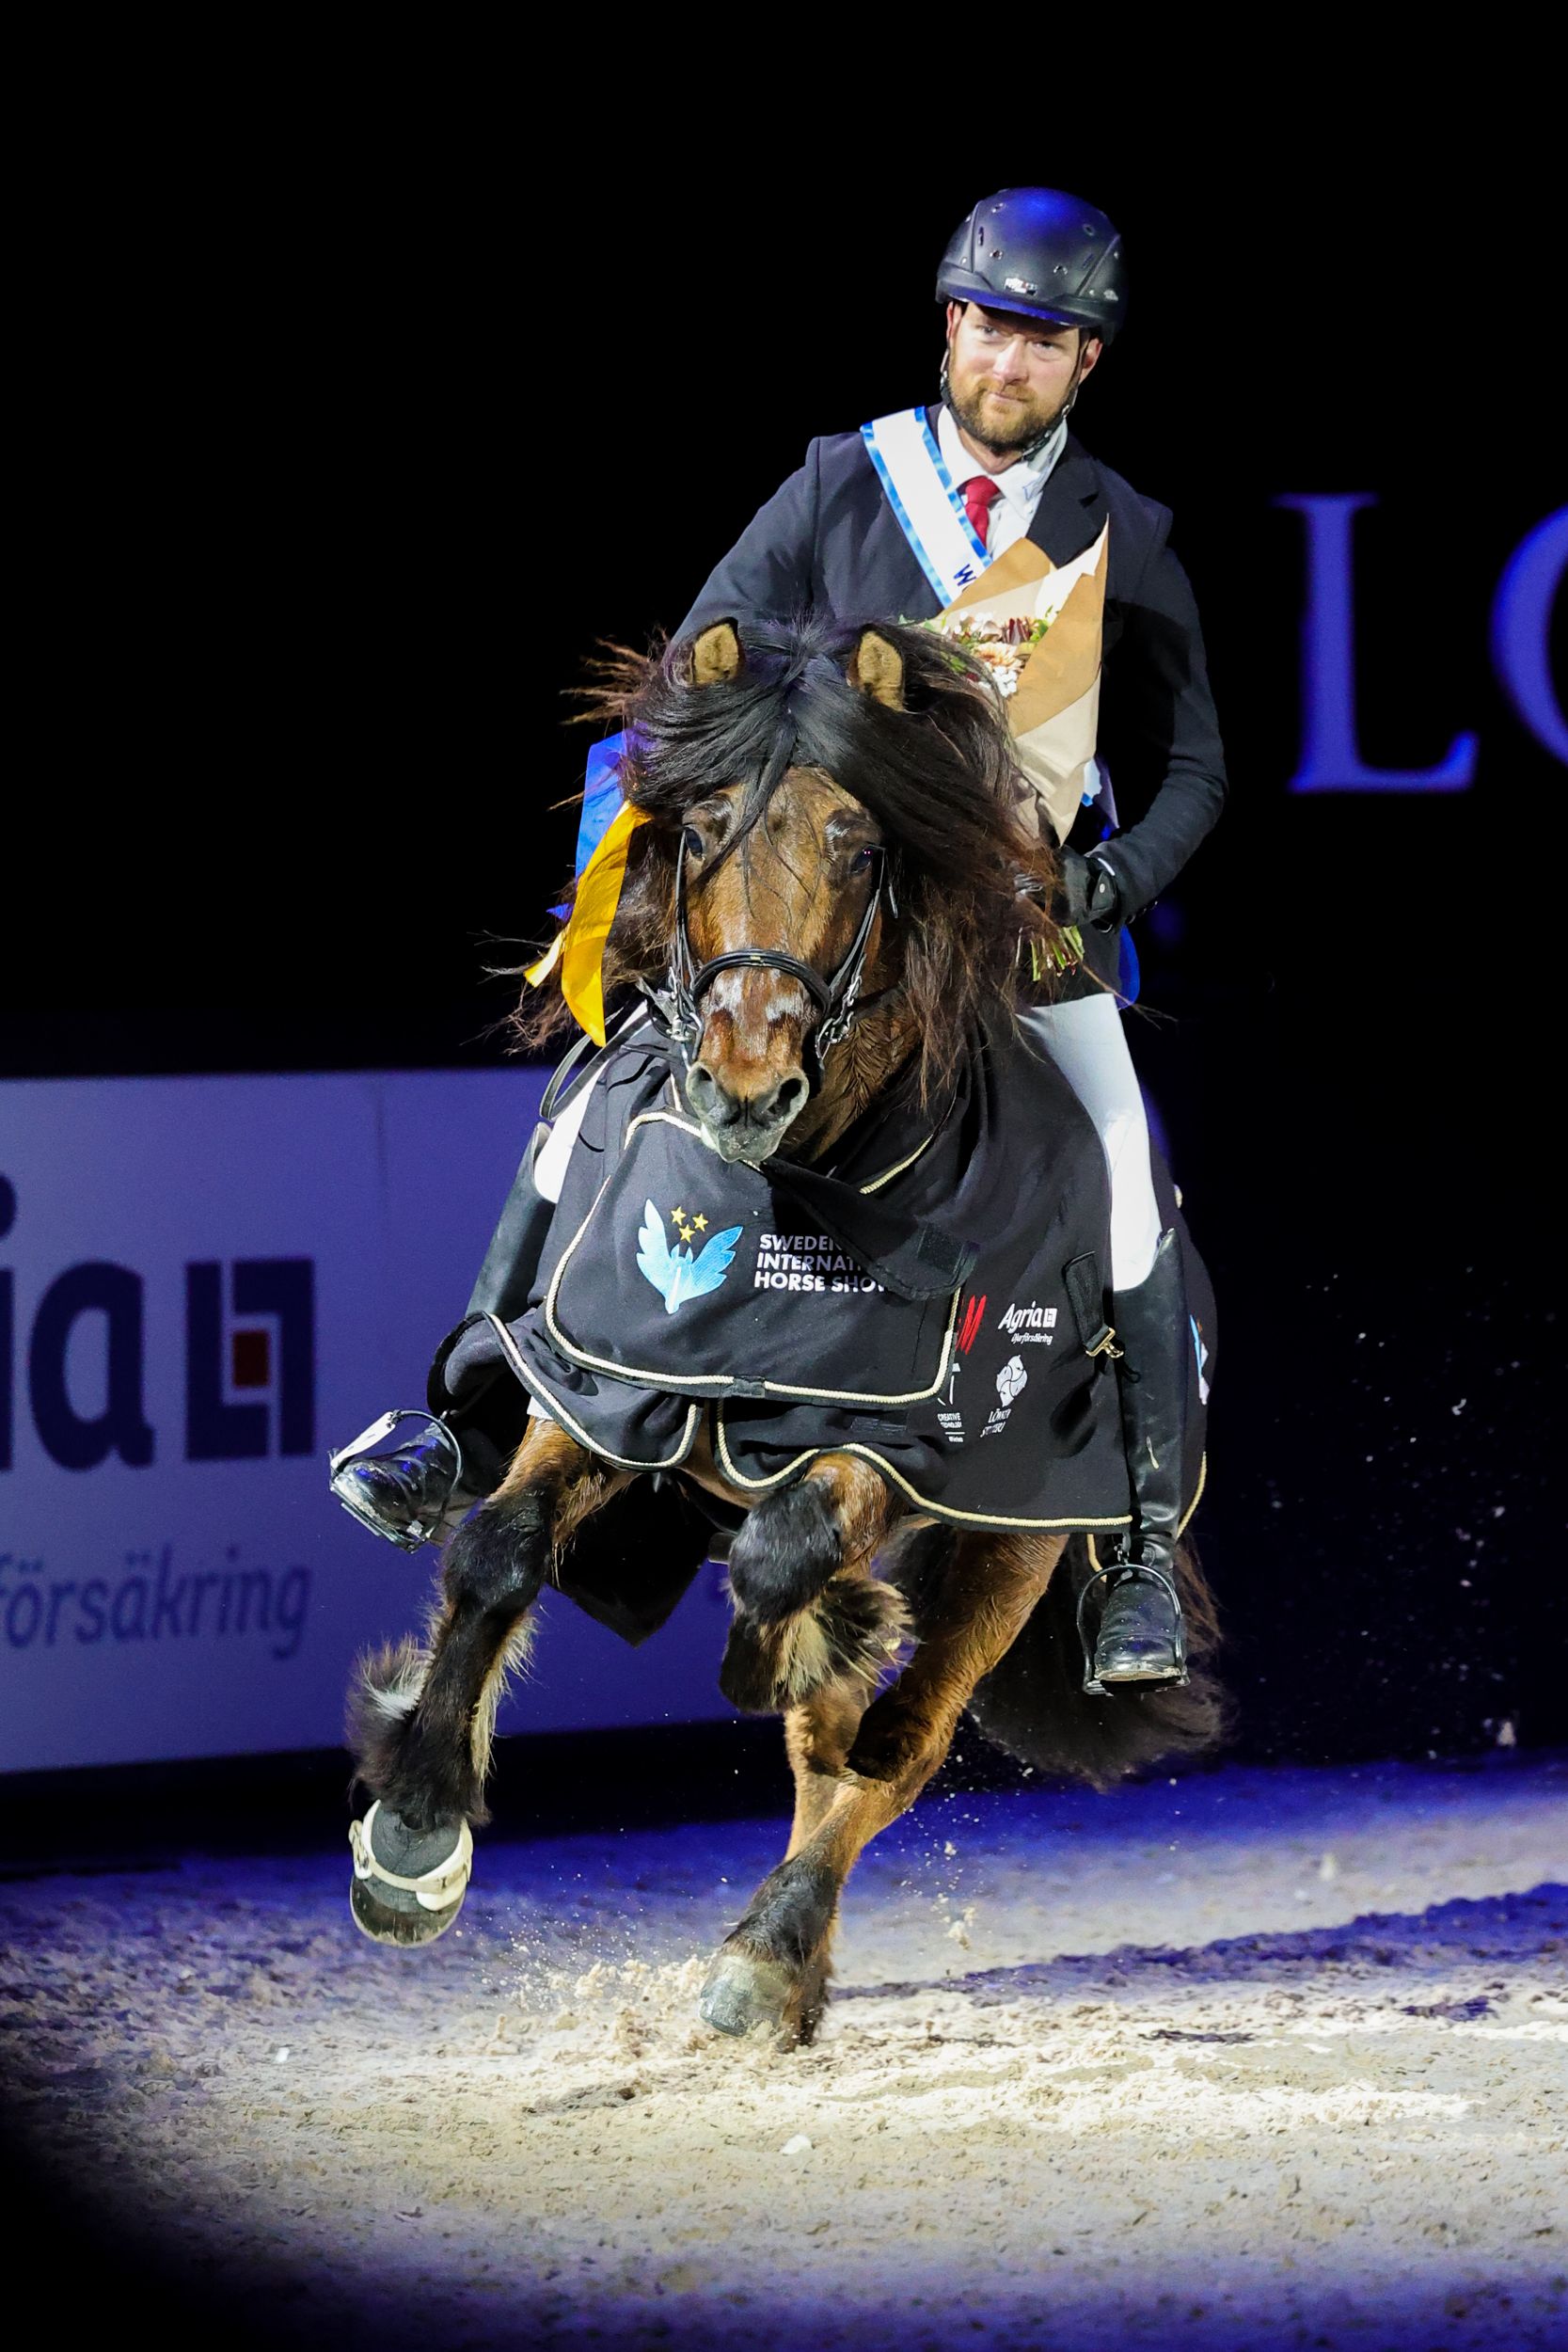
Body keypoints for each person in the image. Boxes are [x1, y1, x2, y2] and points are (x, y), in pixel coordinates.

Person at [332, 186, 1227, 1692]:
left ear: (1088, 362)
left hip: (1019, 939)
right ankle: (468, 1416)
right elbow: (698, 672)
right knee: (591, 1095)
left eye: (1044, 342)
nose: (1008, 364)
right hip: (823, 923)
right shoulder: (843, 482)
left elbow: (1195, 768)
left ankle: (1133, 1549)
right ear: (951, 325)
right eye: (991, 328)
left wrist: (1109, 882)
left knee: (1129, 1172)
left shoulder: (1121, 537)